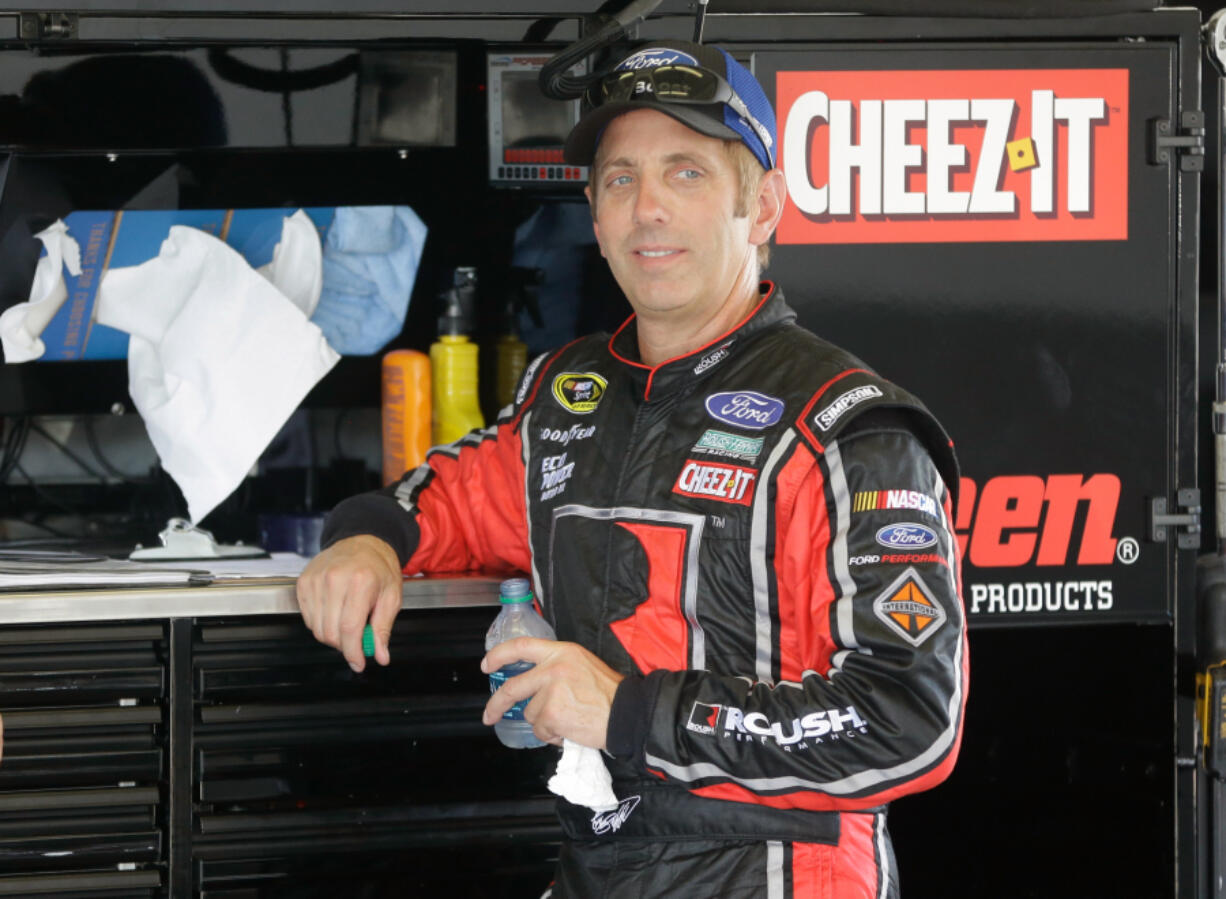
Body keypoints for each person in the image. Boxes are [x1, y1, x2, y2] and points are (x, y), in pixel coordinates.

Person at [297, 39, 967, 898]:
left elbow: (908, 720)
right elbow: (449, 501)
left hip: (780, 874)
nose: (648, 207)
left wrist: (625, 711)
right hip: (600, 862)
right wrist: (368, 538)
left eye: (686, 173)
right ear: (595, 214)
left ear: (760, 208)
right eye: (620, 179)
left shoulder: (846, 429)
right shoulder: (569, 395)